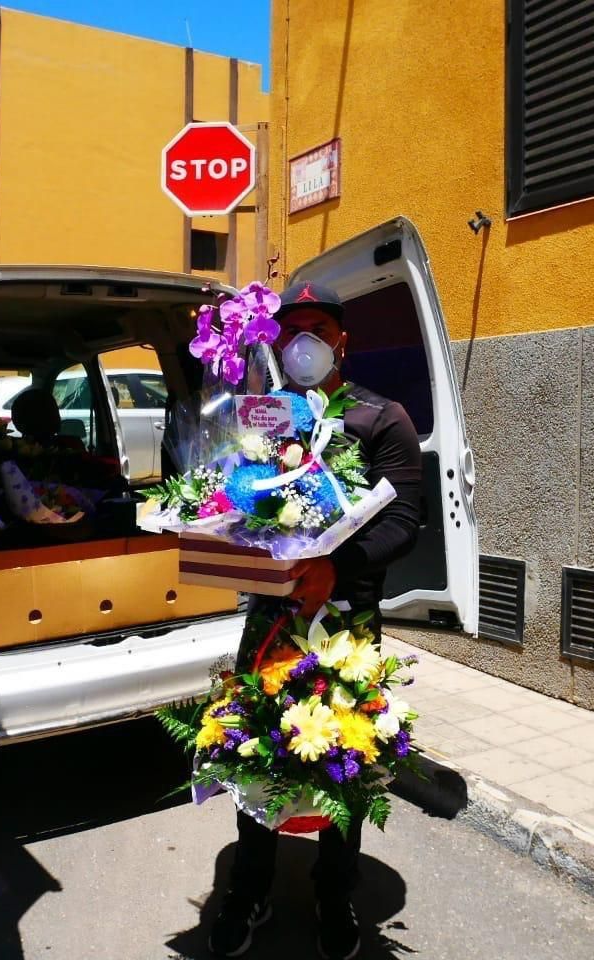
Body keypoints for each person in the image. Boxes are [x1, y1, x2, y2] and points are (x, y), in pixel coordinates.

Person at [207, 281, 423, 960]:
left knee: (343, 758)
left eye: (317, 329)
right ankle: (250, 887)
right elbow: (234, 504)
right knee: (256, 750)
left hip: (346, 624)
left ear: (341, 341)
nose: (302, 341)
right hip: (272, 617)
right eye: (290, 328)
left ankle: (336, 891)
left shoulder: (382, 419)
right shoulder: (261, 419)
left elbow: (404, 524)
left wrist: (337, 565)